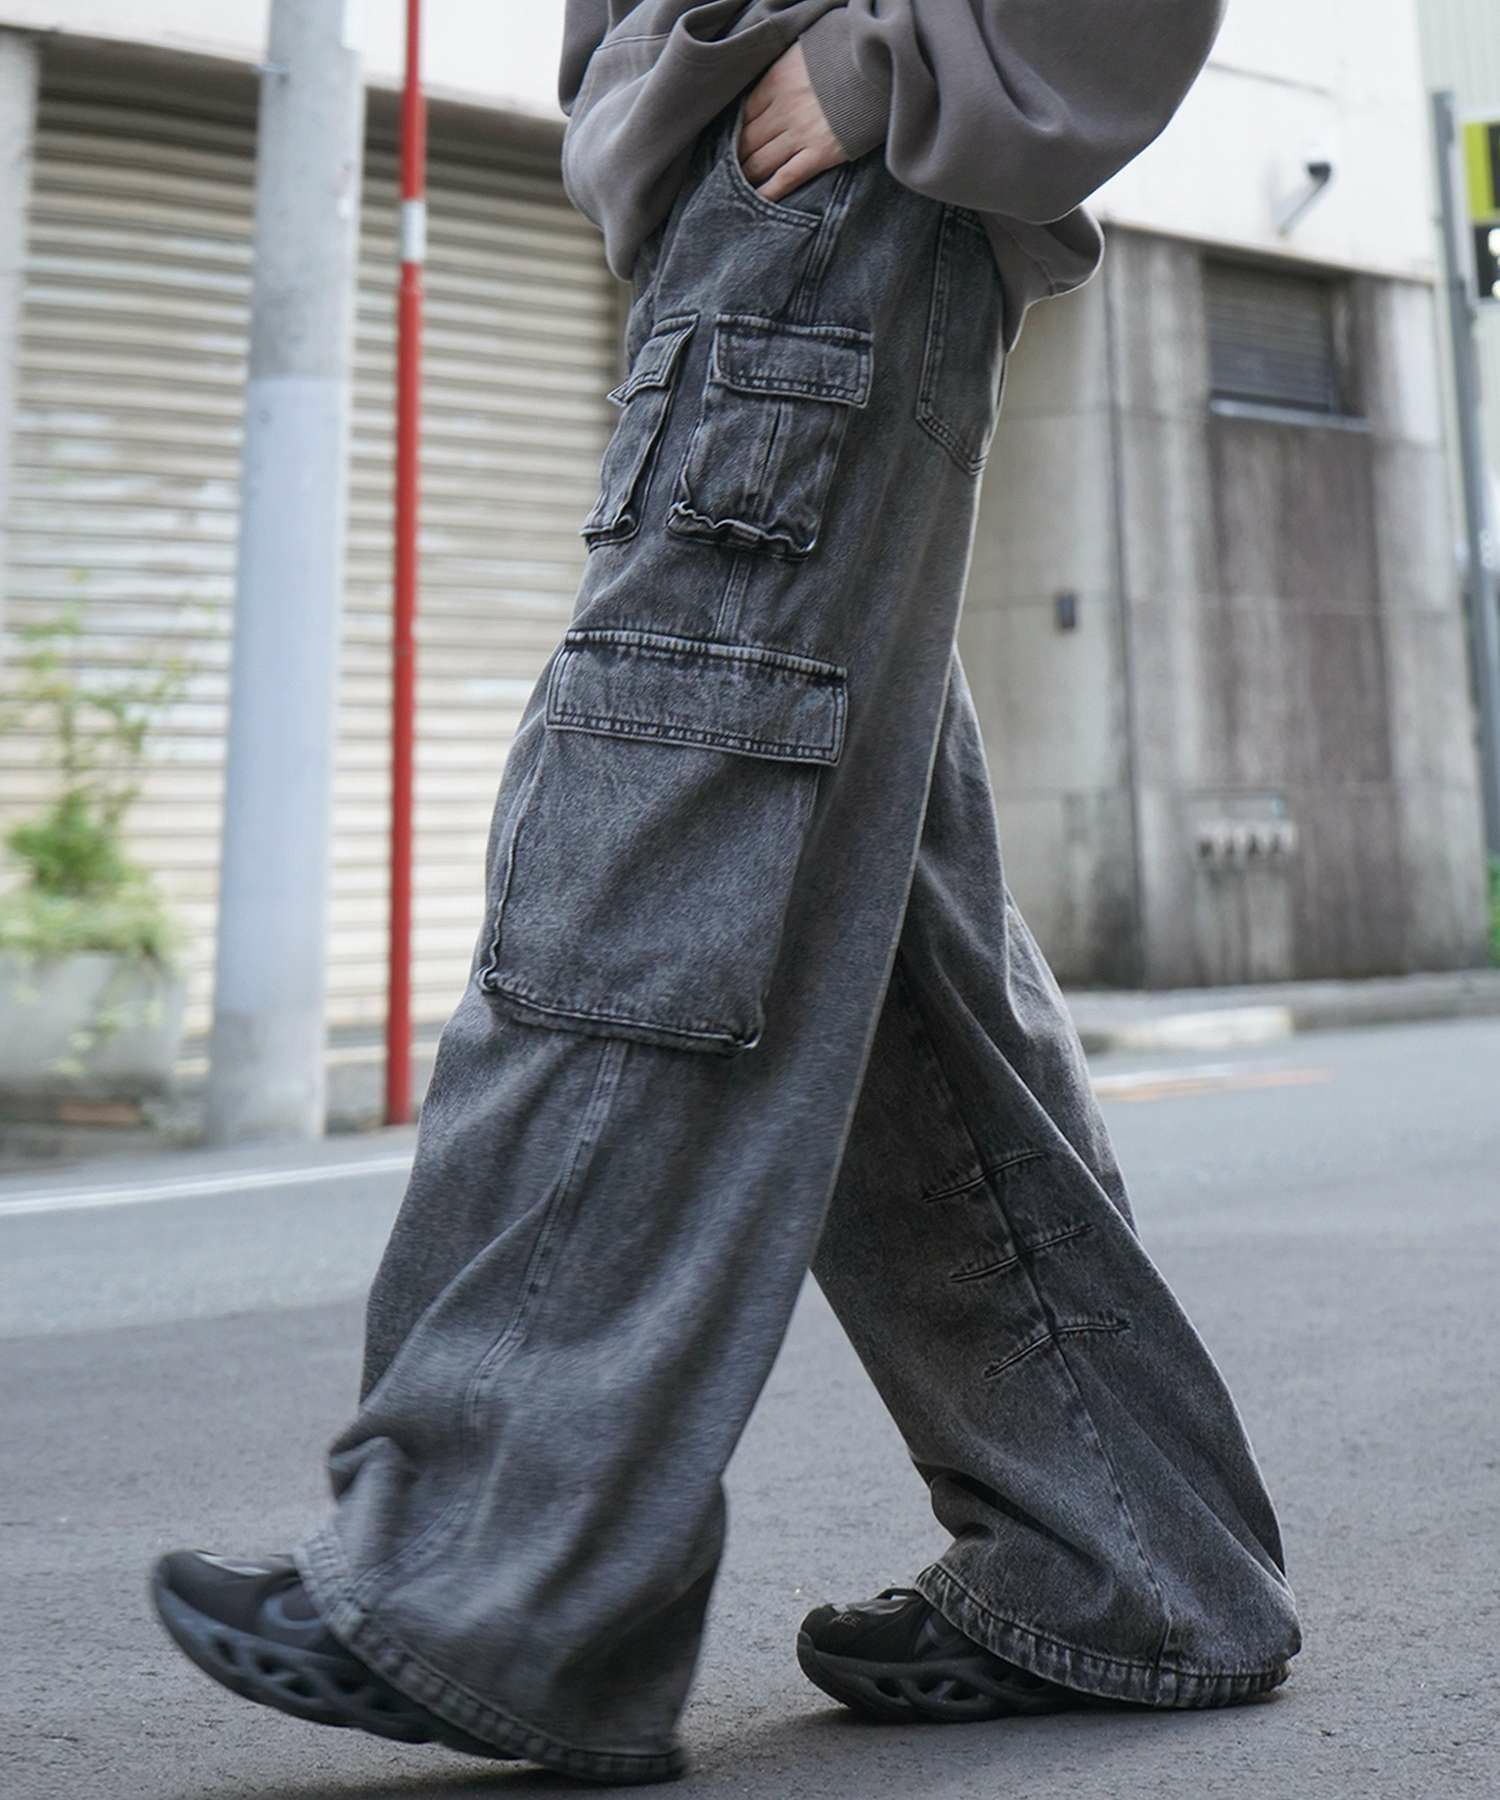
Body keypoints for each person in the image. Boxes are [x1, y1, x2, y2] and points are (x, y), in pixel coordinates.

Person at [151, 2, 1302, 1785]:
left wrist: (902, 58)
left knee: (649, 859)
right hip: (767, 213)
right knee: (871, 943)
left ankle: (497, 1586)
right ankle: (1132, 1553)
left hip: (827, 204)